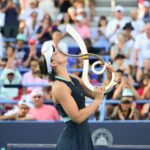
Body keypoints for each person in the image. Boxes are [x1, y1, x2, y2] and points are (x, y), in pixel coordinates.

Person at [36, 41, 114, 150]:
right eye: (55, 54)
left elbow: (97, 94)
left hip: (83, 134)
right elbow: (77, 117)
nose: (59, 52)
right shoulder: (59, 87)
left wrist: (109, 77)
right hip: (71, 140)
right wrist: (97, 101)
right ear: (53, 63)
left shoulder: (73, 77)